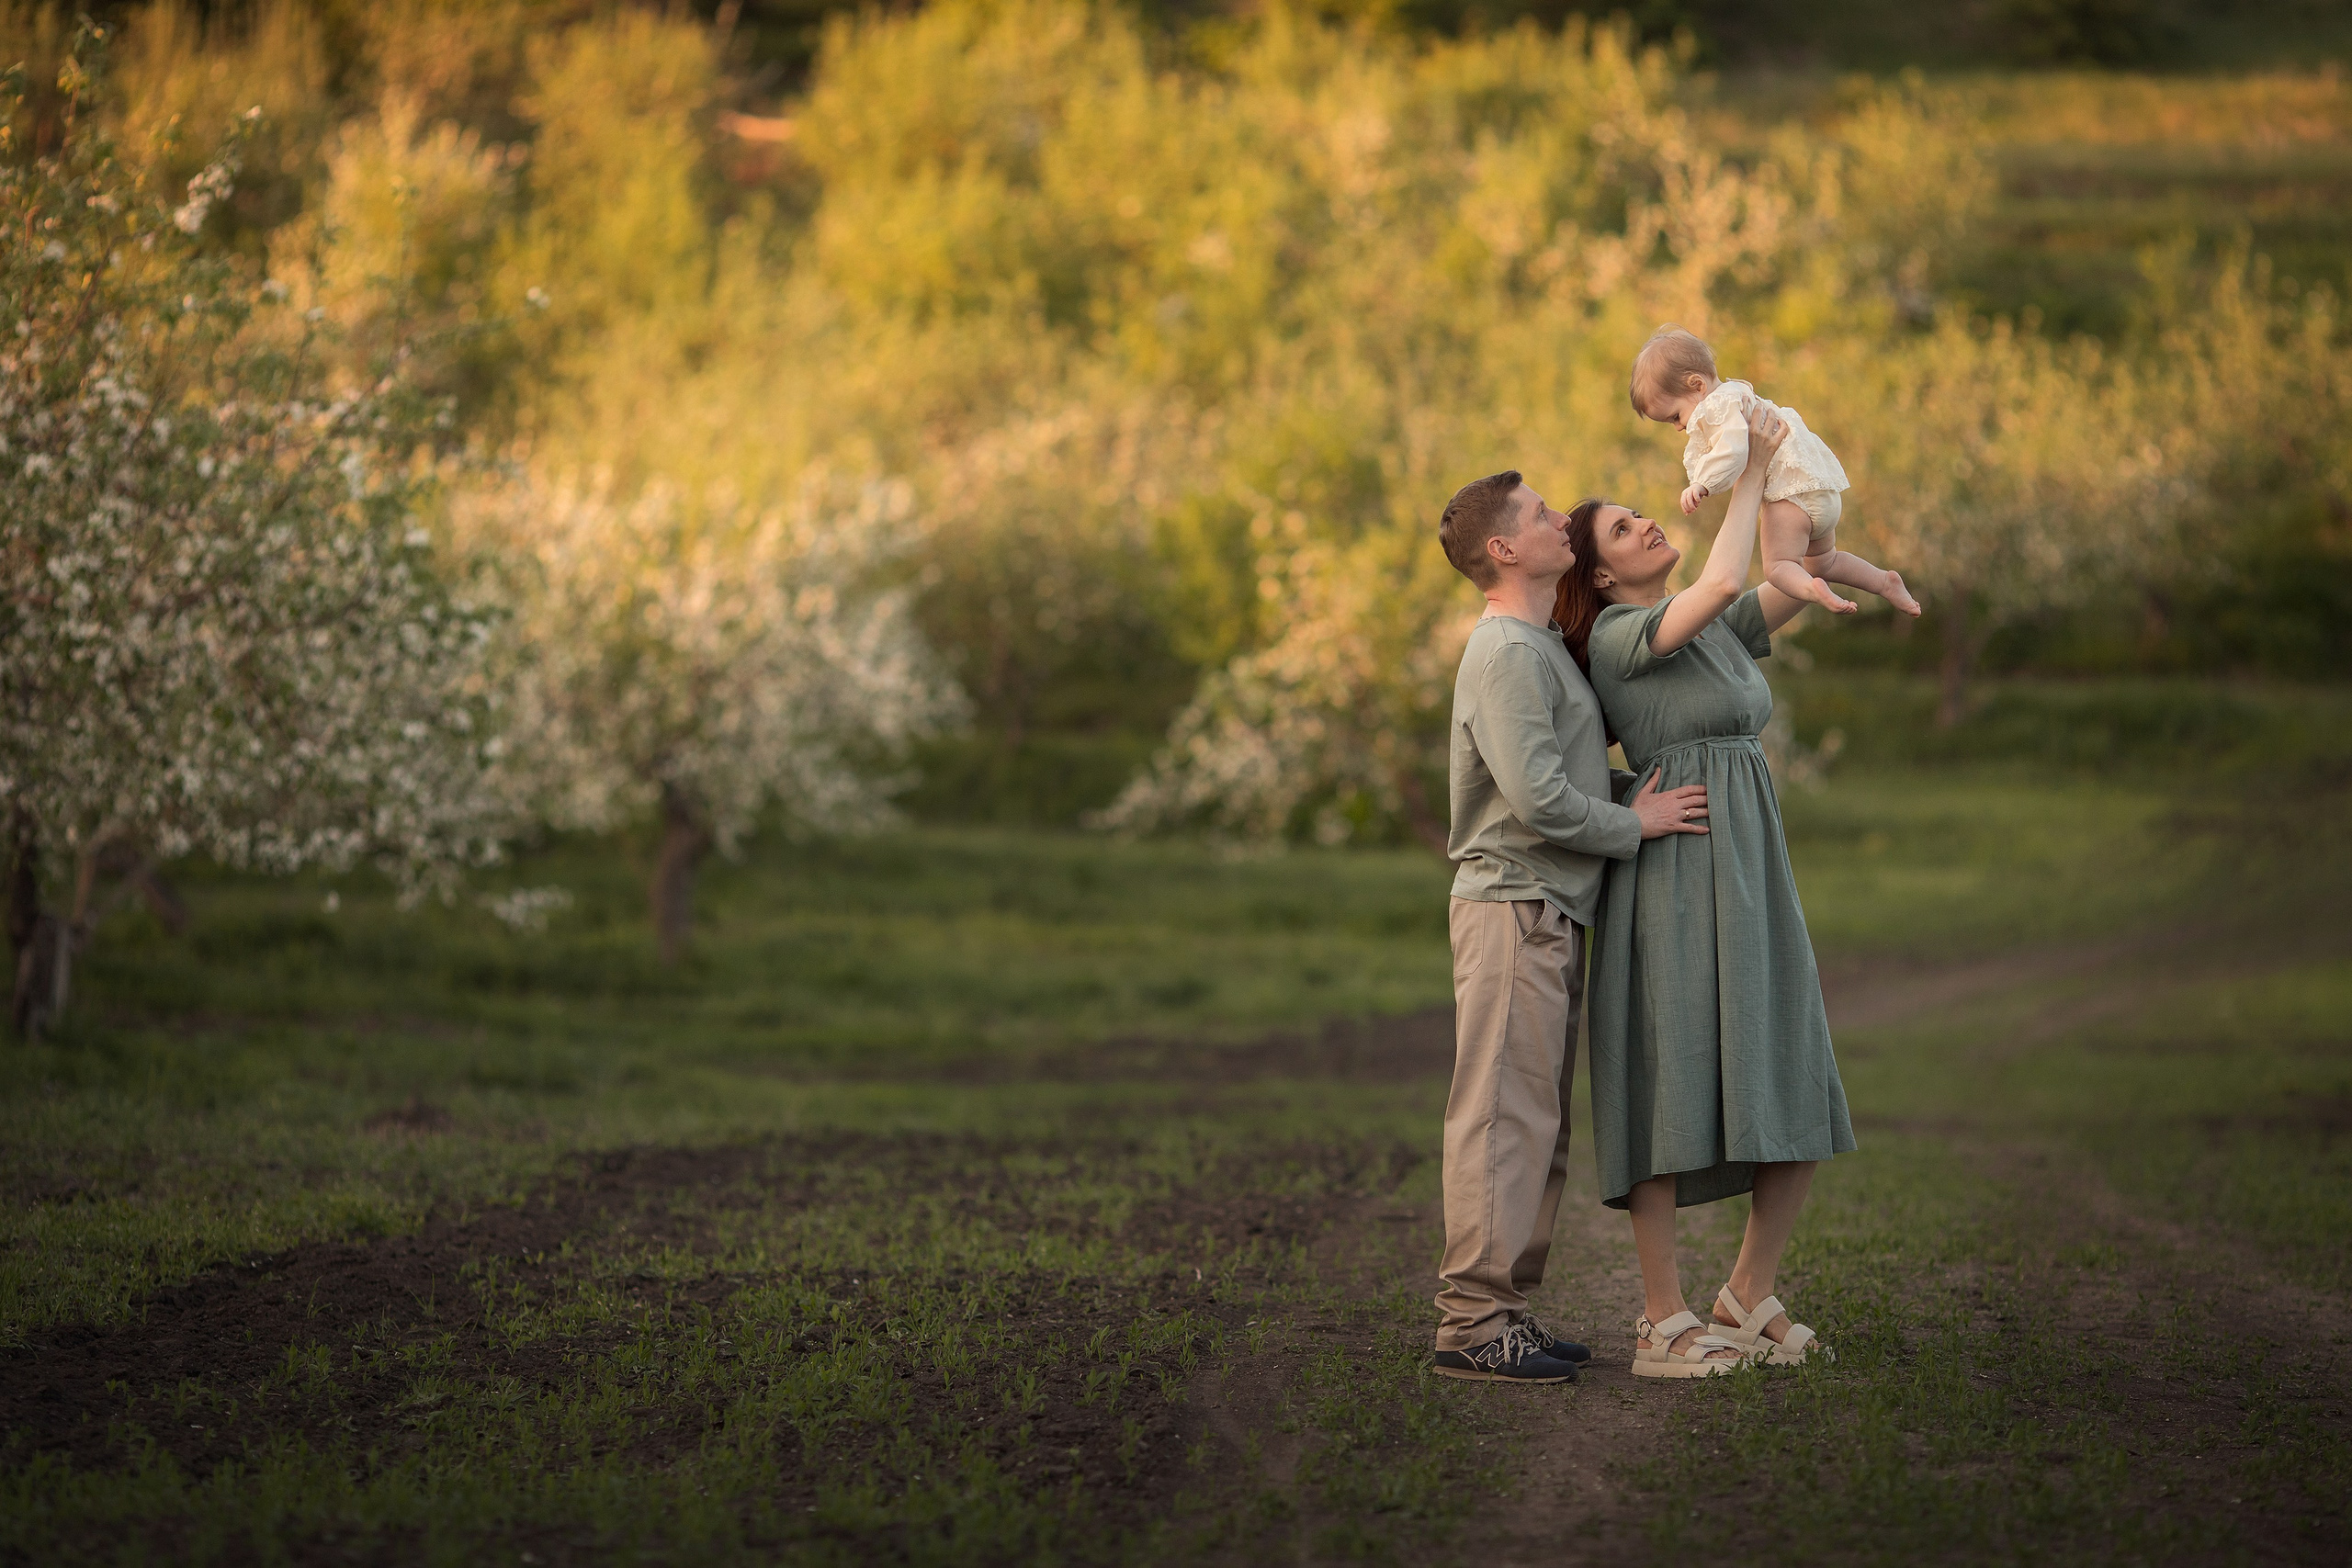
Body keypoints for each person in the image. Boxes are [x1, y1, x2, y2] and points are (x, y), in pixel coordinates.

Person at [1556, 402, 1855, 1378]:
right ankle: (1658, 1317)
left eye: (1645, 510)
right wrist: (1749, 466)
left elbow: (1782, 582)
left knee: (1791, 1059)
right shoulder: (1618, 637)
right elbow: (1726, 570)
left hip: (1751, 862)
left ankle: (1746, 1291)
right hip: (1674, 869)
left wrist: (1799, 493)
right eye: (1623, 527)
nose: (1648, 522)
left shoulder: (1716, 630)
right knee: (1667, 1074)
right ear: (1599, 576)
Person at [1428, 469, 1714, 1382]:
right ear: (1503, 550)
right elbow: (1541, 798)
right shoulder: (1506, 651)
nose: (1562, 521)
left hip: (1547, 907)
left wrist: (1634, 792)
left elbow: (1569, 779)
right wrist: (1638, 823)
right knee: (1499, 1120)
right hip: (1512, 905)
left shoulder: (1543, 644)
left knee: (1533, 1122)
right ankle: (1472, 1324)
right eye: (1542, 516)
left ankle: (1504, 1309)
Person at [1630, 324, 1921, 620]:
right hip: (1822, 492)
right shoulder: (1739, 392)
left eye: (1675, 416)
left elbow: (1732, 452)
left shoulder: (1716, 407)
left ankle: (1815, 591)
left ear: (1697, 385)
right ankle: (1883, 581)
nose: (1679, 427)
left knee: (1780, 568)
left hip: (1789, 498)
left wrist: (1702, 484)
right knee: (1824, 561)